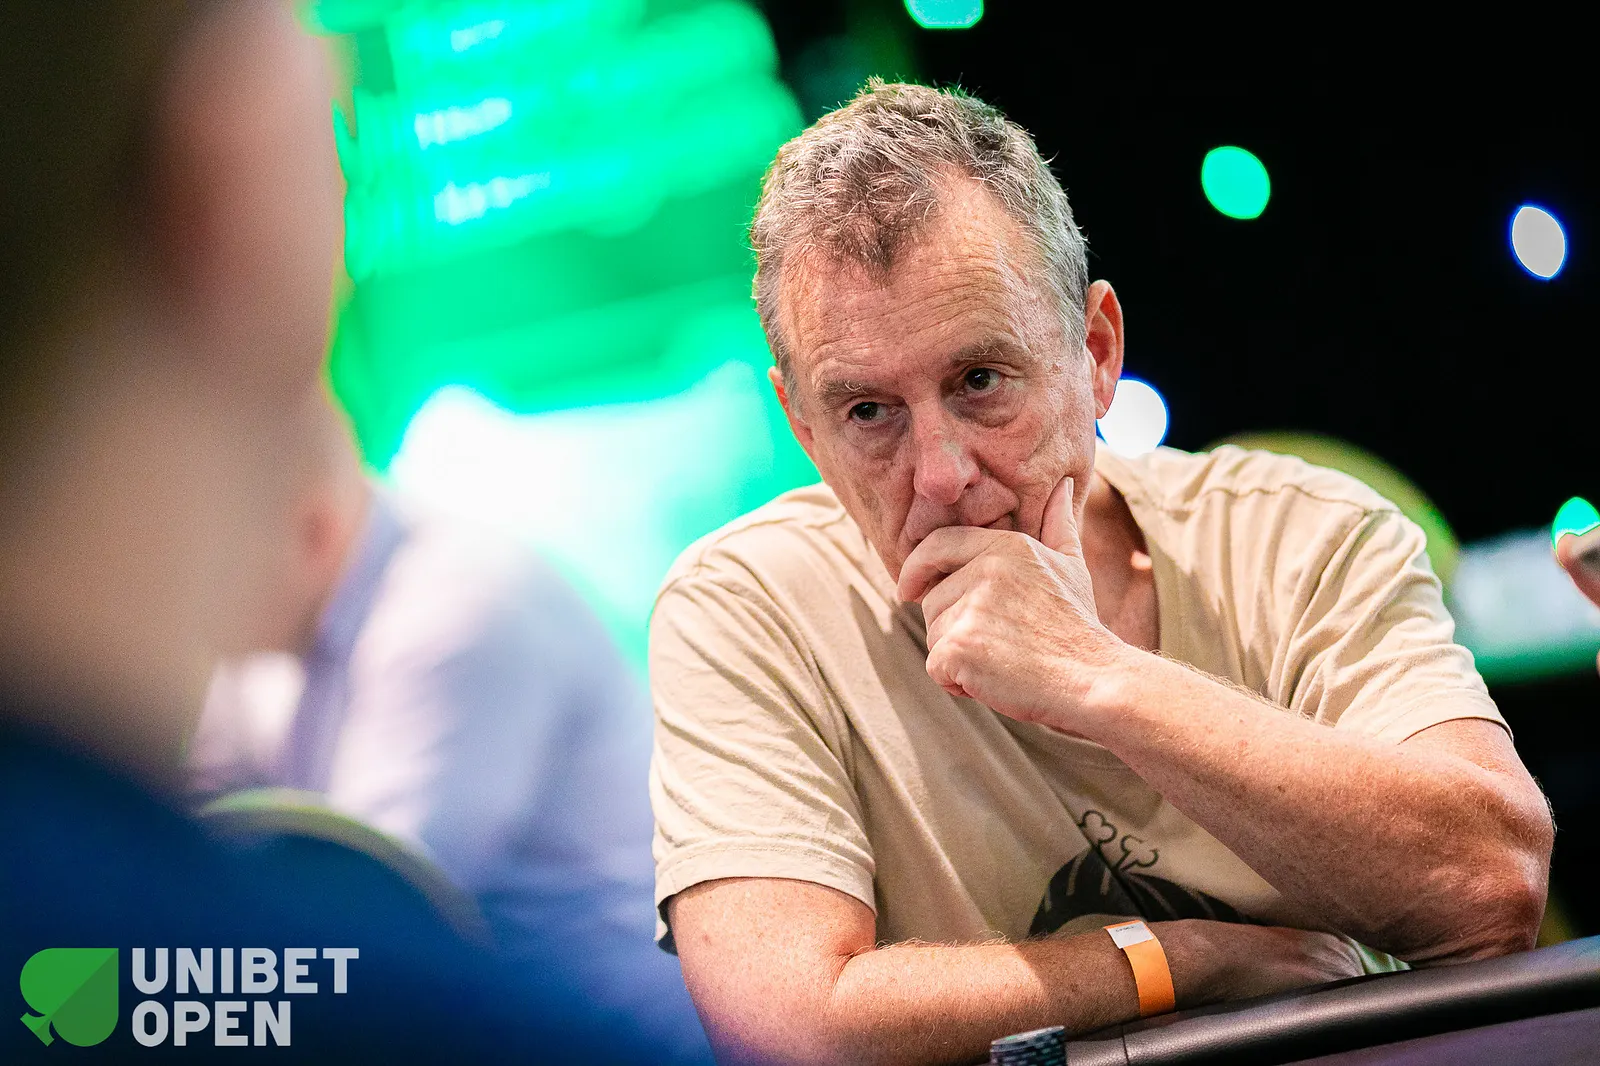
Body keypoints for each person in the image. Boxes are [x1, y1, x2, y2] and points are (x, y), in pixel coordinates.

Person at [648, 80, 1556, 1065]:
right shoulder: (749, 607)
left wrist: (1092, 674)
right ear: (804, 428)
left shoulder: (1301, 533)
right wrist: (1187, 962)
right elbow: (785, 1030)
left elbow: (1490, 892)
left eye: (979, 381)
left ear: (1095, 352)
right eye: (869, 412)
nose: (941, 474)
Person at [0, 3, 658, 1061]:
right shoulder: (269, 661)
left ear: (309, 525)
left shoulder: (457, 604)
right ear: (233, 169)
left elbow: (372, 885)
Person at [189, 397, 714, 1064]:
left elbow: (362, 927)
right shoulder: (269, 623)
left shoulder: (457, 613)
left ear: (310, 531)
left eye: (185, 556)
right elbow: (186, 834)